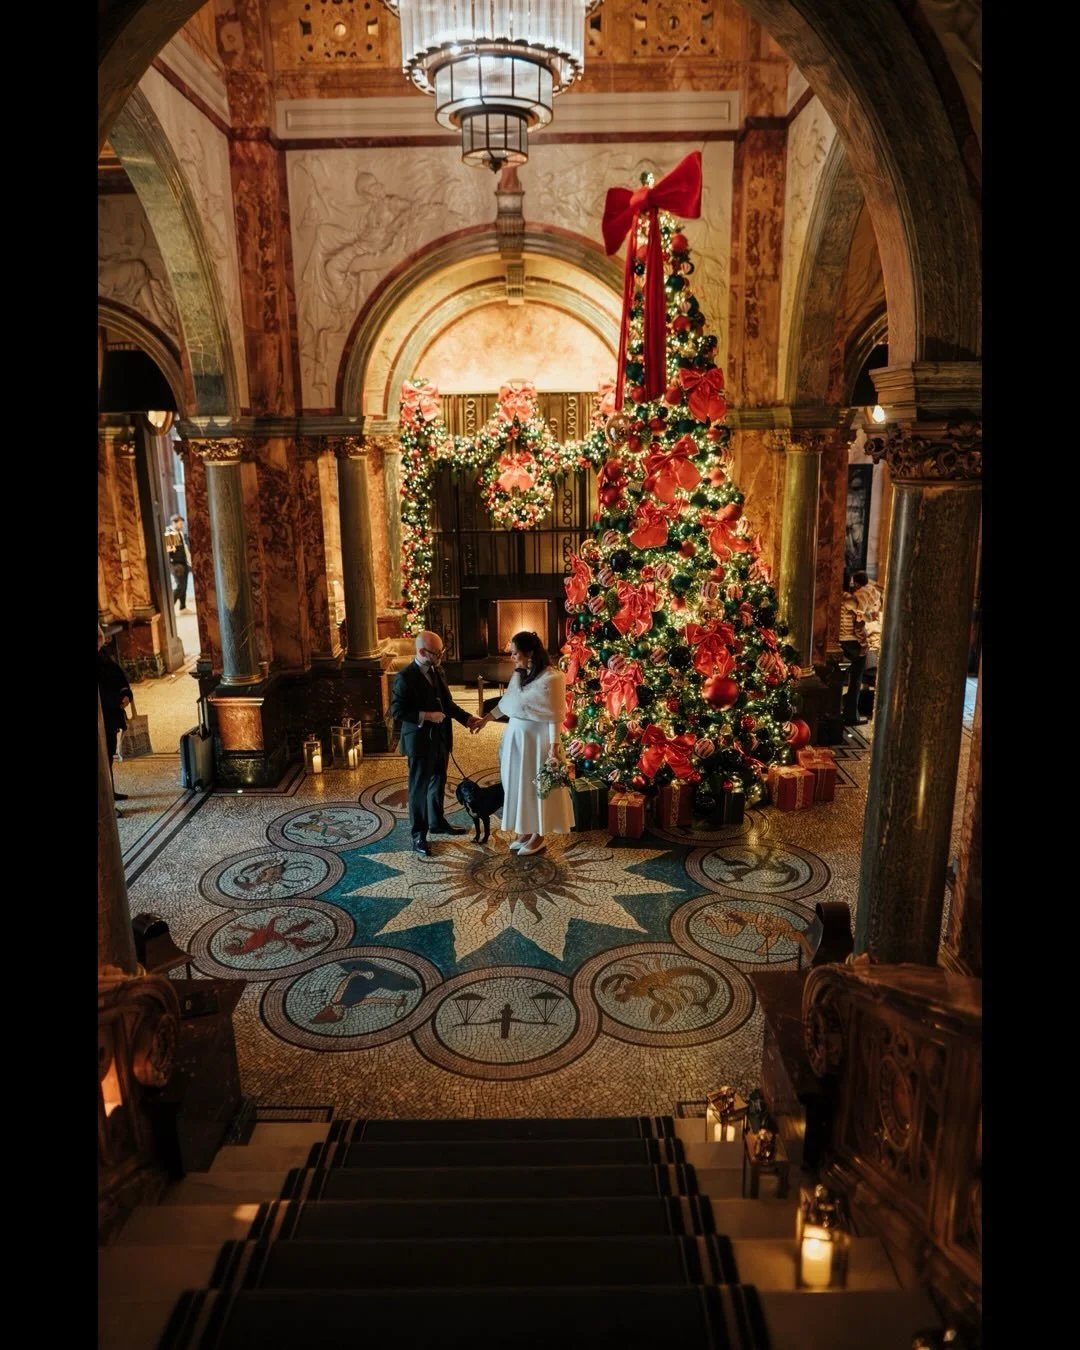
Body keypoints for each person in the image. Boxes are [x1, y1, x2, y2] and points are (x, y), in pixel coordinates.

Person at [472, 631, 573, 856]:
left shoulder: (553, 678)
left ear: (529, 653)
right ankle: (526, 830)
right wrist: (485, 720)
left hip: (538, 741)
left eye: (515, 652)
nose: (512, 657)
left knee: (538, 788)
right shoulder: (519, 674)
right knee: (519, 785)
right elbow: (507, 703)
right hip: (516, 740)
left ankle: (539, 836)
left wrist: (554, 748)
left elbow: (556, 714)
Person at [390, 631, 482, 856]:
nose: (441, 656)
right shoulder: (405, 677)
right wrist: (427, 716)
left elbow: (447, 704)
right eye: (437, 653)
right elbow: (397, 710)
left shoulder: (438, 670)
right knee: (419, 789)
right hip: (419, 743)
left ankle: (437, 822)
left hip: (441, 738)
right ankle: (418, 835)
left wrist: (466, 719)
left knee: (438, 781)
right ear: (422, 652)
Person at [98, 625, 133, 802]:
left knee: (107, 757)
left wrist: (126, 695)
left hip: (109, 718)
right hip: (102, 717)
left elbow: (119, 679)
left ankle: (108, 793)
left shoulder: (103, 656)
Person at [838, 583, 869, 727]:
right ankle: (851, 714)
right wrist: (864, 644)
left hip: (839, 643)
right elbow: (858, 628)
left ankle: (838, 710)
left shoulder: (834, 600)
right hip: (853, 644)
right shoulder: (853, 602)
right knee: (856, 680)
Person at [167, 515, 190, 612]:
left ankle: (183, 607)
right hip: (176, 564)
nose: (182, 526)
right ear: (174, 523)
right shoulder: (171, 533)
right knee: (180, 586)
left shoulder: (179, 533)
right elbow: (170, 552)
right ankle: (170, 607)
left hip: (183, 562)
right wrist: (173, 565)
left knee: (184, 586)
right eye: (180, 524)